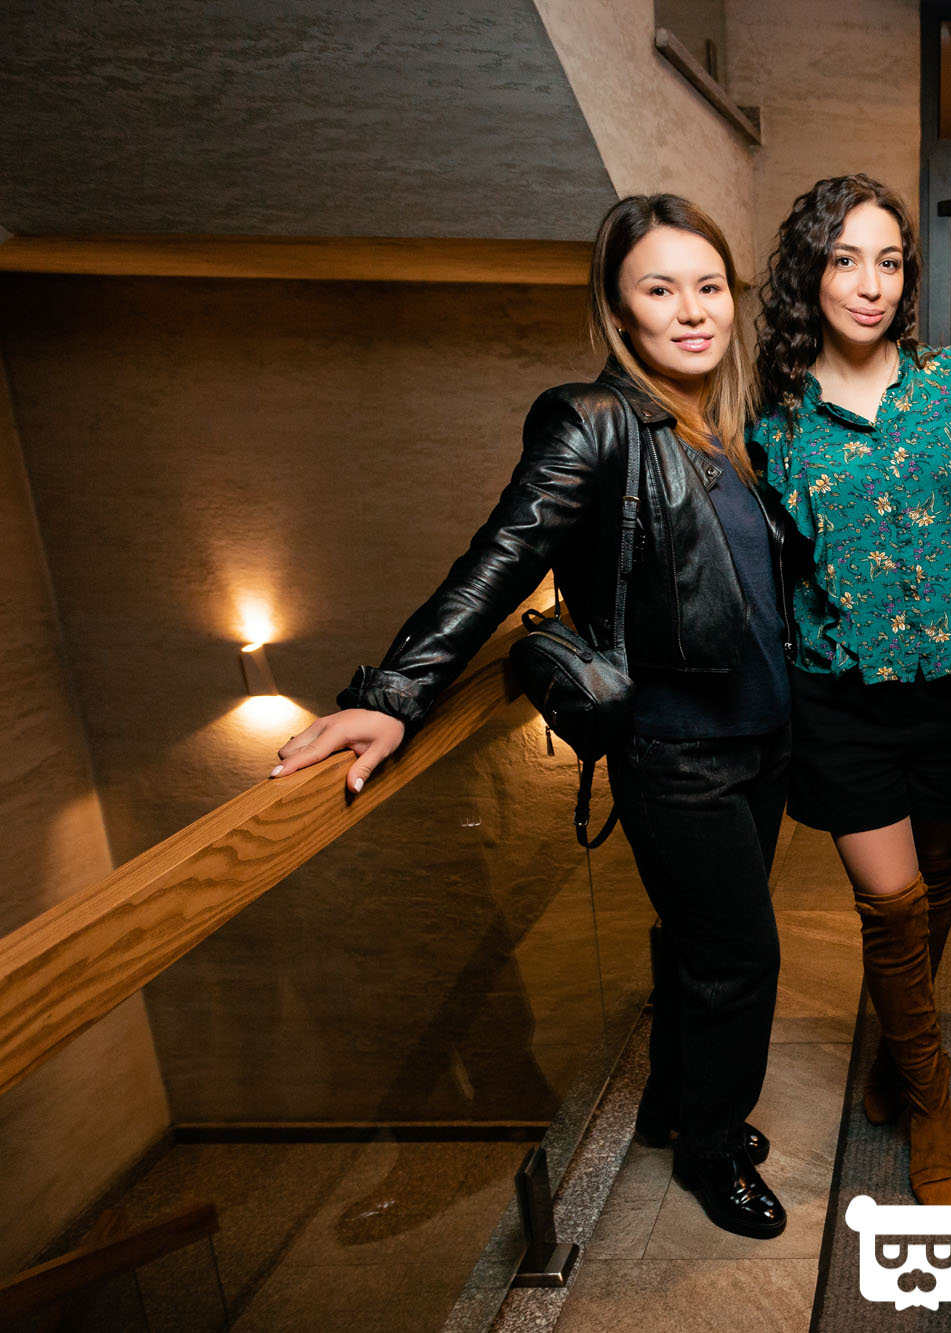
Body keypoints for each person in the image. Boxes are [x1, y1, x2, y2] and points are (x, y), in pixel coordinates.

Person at [270, 194, 798, 1241]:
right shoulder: (591, 419)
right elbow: (499, 559)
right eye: (660, 289)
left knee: (702, 945)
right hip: (678, 753)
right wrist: (394, 695)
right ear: (619, 308)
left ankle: (673, 1104)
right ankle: (710, 1146)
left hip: (758, 740)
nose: (692, 310)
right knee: (742, 959)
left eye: (708, 286)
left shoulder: (724, 428)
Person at [753, 175, 951, 1205]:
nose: (870, 283)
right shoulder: (773, 421)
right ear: (812, 272)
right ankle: (931, 1099)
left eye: (889, 261)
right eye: (846, 259)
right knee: (891, 905)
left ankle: (897, 1050)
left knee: (937, 881)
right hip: (841, 700)